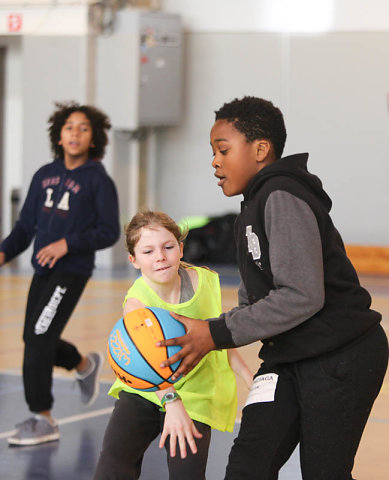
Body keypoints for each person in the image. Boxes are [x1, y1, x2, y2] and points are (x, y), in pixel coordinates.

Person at [158, 96, 389, 479]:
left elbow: (302, 295)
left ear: (261, 149)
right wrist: (208, 334)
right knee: (248, 466)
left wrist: (214, 334)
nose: (214, 161)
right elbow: (254, 303)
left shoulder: (282, 194)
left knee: (323, 472)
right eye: (212, 152)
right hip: (286, 359)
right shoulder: (249, 210)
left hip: (341, 355)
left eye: (223, 150)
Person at [94, 210, 253, 480]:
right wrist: (171, 402)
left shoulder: (204, 282)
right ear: (133, 260)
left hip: (195, 392)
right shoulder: (136, 303)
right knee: (113, 465)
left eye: (168, 247)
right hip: (145, 389)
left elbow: (216, 337)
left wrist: (250, 378)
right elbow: (146, 362)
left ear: (180, 248)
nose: (160, 256)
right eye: (147, 251)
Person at [0, 101, 120, 446]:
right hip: (43, 269)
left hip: (71, 271)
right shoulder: (44, 175)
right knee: (34, 338)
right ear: (59, 133)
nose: (76, 133)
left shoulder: (99, 181)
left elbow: (109, 231)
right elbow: (24, 228)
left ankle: (44, 419)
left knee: (38, 340)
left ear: (93, 138)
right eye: (70, 127)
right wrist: (5, 252)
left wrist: (68, 244)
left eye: (84, 128)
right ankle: (83, 364)